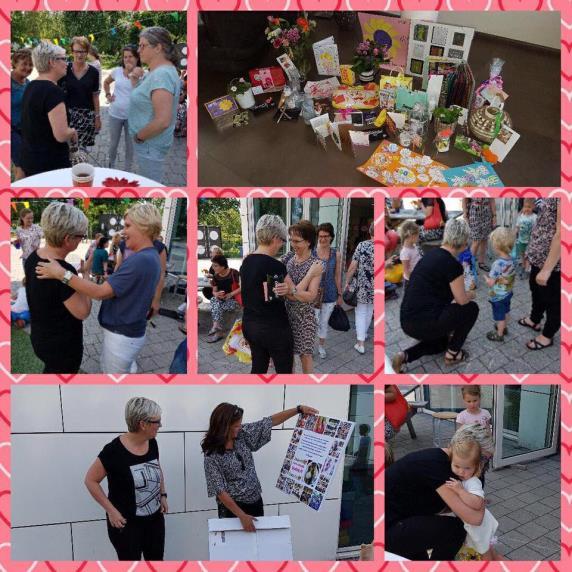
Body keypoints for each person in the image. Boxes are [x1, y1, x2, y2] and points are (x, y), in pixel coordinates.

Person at [36, 202, 163, 374]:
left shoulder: (140, 260)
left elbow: (99, 293)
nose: (123, 232)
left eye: (127, 226)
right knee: (121, 368)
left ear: (144, 226)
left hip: (121, 336)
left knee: (112, 376)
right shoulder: (151, 255)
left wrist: (61, 274)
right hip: (129, 332)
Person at [202, 402, 318, 531]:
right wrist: (241, 516)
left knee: (257, 545)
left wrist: (298, 409)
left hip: (256, 502)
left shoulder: (242, 435)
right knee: (237, 549)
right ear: (224, 427)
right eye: (236, 426)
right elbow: (220, 491)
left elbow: (270, 421)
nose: (239, 428)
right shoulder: (212, 455)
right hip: (233, 510)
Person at [385, 424, 494, 561]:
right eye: (483, 458)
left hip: (403, 519)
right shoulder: (436, 465)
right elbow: (474, 518)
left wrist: (475, 503)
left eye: (487, 460)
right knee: (454, 531)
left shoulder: (465, 468)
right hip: (385, 530)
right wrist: (477, 502)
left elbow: (473, 512)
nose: (484, 465)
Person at [84, 397, 167, 561]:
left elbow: (156, 467)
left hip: (154, 522)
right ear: (143, 424)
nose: (160, 425)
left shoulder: (152, 442)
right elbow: (90, 480)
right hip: (127, 526)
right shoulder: (113, 451)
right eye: (157, 421)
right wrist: (111, 511)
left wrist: (163, 494)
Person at [392, 218, 479, 373]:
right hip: (425, 321)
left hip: (407, 321)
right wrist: (471, 294)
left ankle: (404, 356)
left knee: (440, 343)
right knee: (472, 309)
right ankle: (453, 355)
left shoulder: (430, 254)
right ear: (463, 242)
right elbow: (461, 300)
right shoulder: (453, 265)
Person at [239, 215, 321, 374]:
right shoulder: (276, 265)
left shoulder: (247, 261)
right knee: (284, 373)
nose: (284, 245)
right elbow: (291, 294)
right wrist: (309, 276)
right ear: (276, 238)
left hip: (250, 325)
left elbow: (249, 292)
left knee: (258, 367)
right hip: (274, 330)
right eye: (284, 240)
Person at [26, 202, 91, 373]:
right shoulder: (64, 272)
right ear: (68, 239)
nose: (81, 239)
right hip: (62, 348)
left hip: (40, 337)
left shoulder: (34, 256)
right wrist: (84, 276)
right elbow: (83, 311)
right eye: (81, 236)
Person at [129, 27, 181, 183]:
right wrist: (135, 82)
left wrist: (139, 136)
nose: (139, 50)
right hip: (149, 144)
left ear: (158, 47)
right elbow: (144, 99)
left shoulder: (161, 75)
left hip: (149, 145)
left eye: (143, 45)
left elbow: (162, 121)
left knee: (150, 184)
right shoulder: (158, 72)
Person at [20, 42, 78, 177]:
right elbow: (61, 135)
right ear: (52, 62)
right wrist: (73, 131)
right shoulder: (53, 92)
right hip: (50, 166)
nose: (67, 63)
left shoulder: (31, 85)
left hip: (31, 160)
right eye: (64, 59)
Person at [444, 436, 501, 560]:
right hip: (474, 525)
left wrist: (460, 490)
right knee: (488, 552)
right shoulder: (461, 478)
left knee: (485, 554)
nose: (461, 472)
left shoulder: (473, 481)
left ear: (476, 467)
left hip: (479, 528)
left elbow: (477, 503)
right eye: (457, 466)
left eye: (467, 468)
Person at [519, 198, 561, 351]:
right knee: (535, 290)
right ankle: (534, 319)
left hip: (554, 263)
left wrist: (547, 269)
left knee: (553, 301)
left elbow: (563, 232)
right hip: (539, 257)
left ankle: (547, 336)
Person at [282, 220, 323, 374]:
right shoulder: (288, 258)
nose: (293, 244)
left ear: (308, 242)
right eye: (291, 240)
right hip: (286, 315)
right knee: (289, 354)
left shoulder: (316, 264)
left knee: (305, 355)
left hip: (305, 317)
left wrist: (290, 292)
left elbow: (311, 296)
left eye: (297, 241)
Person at [58, 36, 101, 150]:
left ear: (87, 52)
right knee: (67, 149)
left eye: (83, 51)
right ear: (72, 52)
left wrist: (97, 117)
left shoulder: (94, 72)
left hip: (86, 116)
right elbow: (56, 91)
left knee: (82, 152)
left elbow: (95, 96)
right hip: (67, 115)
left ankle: (81, 168)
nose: (79, 55)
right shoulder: (64, 69)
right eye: (76, 51)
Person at [104, 45, 141, 171]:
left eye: (131, 56)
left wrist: (133, 74)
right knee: (113, 143)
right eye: (125, 57)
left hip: (133, 117)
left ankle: (127, 171)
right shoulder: (117, 71)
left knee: (130, 146)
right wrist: (108, 94)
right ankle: (111, 166)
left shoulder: (142, 73)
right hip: (115, 114)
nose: (128, 59)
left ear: (137, 58)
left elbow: (140, 93)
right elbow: (106, 82)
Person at [312, 223, 342, 359]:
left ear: (331, 237)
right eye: (320, 236)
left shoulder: (336, 254)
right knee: (313, 322)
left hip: (330, 293)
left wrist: (340, 293)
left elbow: (337, 275)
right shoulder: (312, 252)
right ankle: (310, 348)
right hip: (314, 294)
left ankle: (321, 346)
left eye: (326, 236)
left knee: (324, 322)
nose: (322, 239)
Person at [344, 222, 374, 355]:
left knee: (361, 311)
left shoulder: (363, 245)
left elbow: (352, 266)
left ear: (370, 231)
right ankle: (364, 333)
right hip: (375, 286)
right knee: (369, 310)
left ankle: (360, 343)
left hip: (362, 285)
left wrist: (347, 281)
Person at [484, 227, 516, 342]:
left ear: (496, 246)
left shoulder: (498, 263)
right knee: (506, 311)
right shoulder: (512, 259)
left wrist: (486, 278)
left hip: (498, 296)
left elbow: (491, 283)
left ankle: (499, 334)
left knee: (499, 316)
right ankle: (504, 327)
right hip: (508, 293)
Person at [206, 254, 241, 342]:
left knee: (216, 306)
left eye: (215, 265)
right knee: (215, 300)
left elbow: (242, 287)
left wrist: (231, 294)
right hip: (222, 301)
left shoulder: (234, 273)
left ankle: (217, 329)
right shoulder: (215, 276)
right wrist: (217, 294)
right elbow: (214, 292)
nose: (213, 268)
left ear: (223, 266)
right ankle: (217, 328)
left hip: (234, 301)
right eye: (212, 265)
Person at [11, 48, 33, 180]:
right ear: (15, 63)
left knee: (21, 164)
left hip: (25, 131)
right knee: (22, 167)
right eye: (24, 64)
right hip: (11, 131)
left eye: (31, 64)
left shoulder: (27, 82)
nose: (28, 67)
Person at [463, 198, 496, 272]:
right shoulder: (471, 186)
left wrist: (494, 215)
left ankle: (481, 262)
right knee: (476, 241)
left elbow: (492, 199)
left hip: (487, 213)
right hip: (474, 213)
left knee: (484, 240)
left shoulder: (489, 186)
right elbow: (464, 198)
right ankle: (468, 265)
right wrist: (465, 214)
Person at [514, 199, 537, 277]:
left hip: (530, 241)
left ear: (533, 207)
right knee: (522, 254)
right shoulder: (521, 216)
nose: (527, 209)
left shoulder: (534, 217)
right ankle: (523, 266)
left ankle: (527, 269)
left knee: (528, 255)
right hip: (521, 240)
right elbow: (517, 226)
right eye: (525, 207)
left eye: (529, 207)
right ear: (522, 207)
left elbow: (536, 229)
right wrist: (515, 233)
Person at [398, 220, 422, 288]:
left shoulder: (414, 246)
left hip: (417, 276)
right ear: (411, 236)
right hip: (410, 281)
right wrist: (413, 282)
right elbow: (406, 271)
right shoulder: (405, 252)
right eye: (417, 235)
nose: (418, 237)